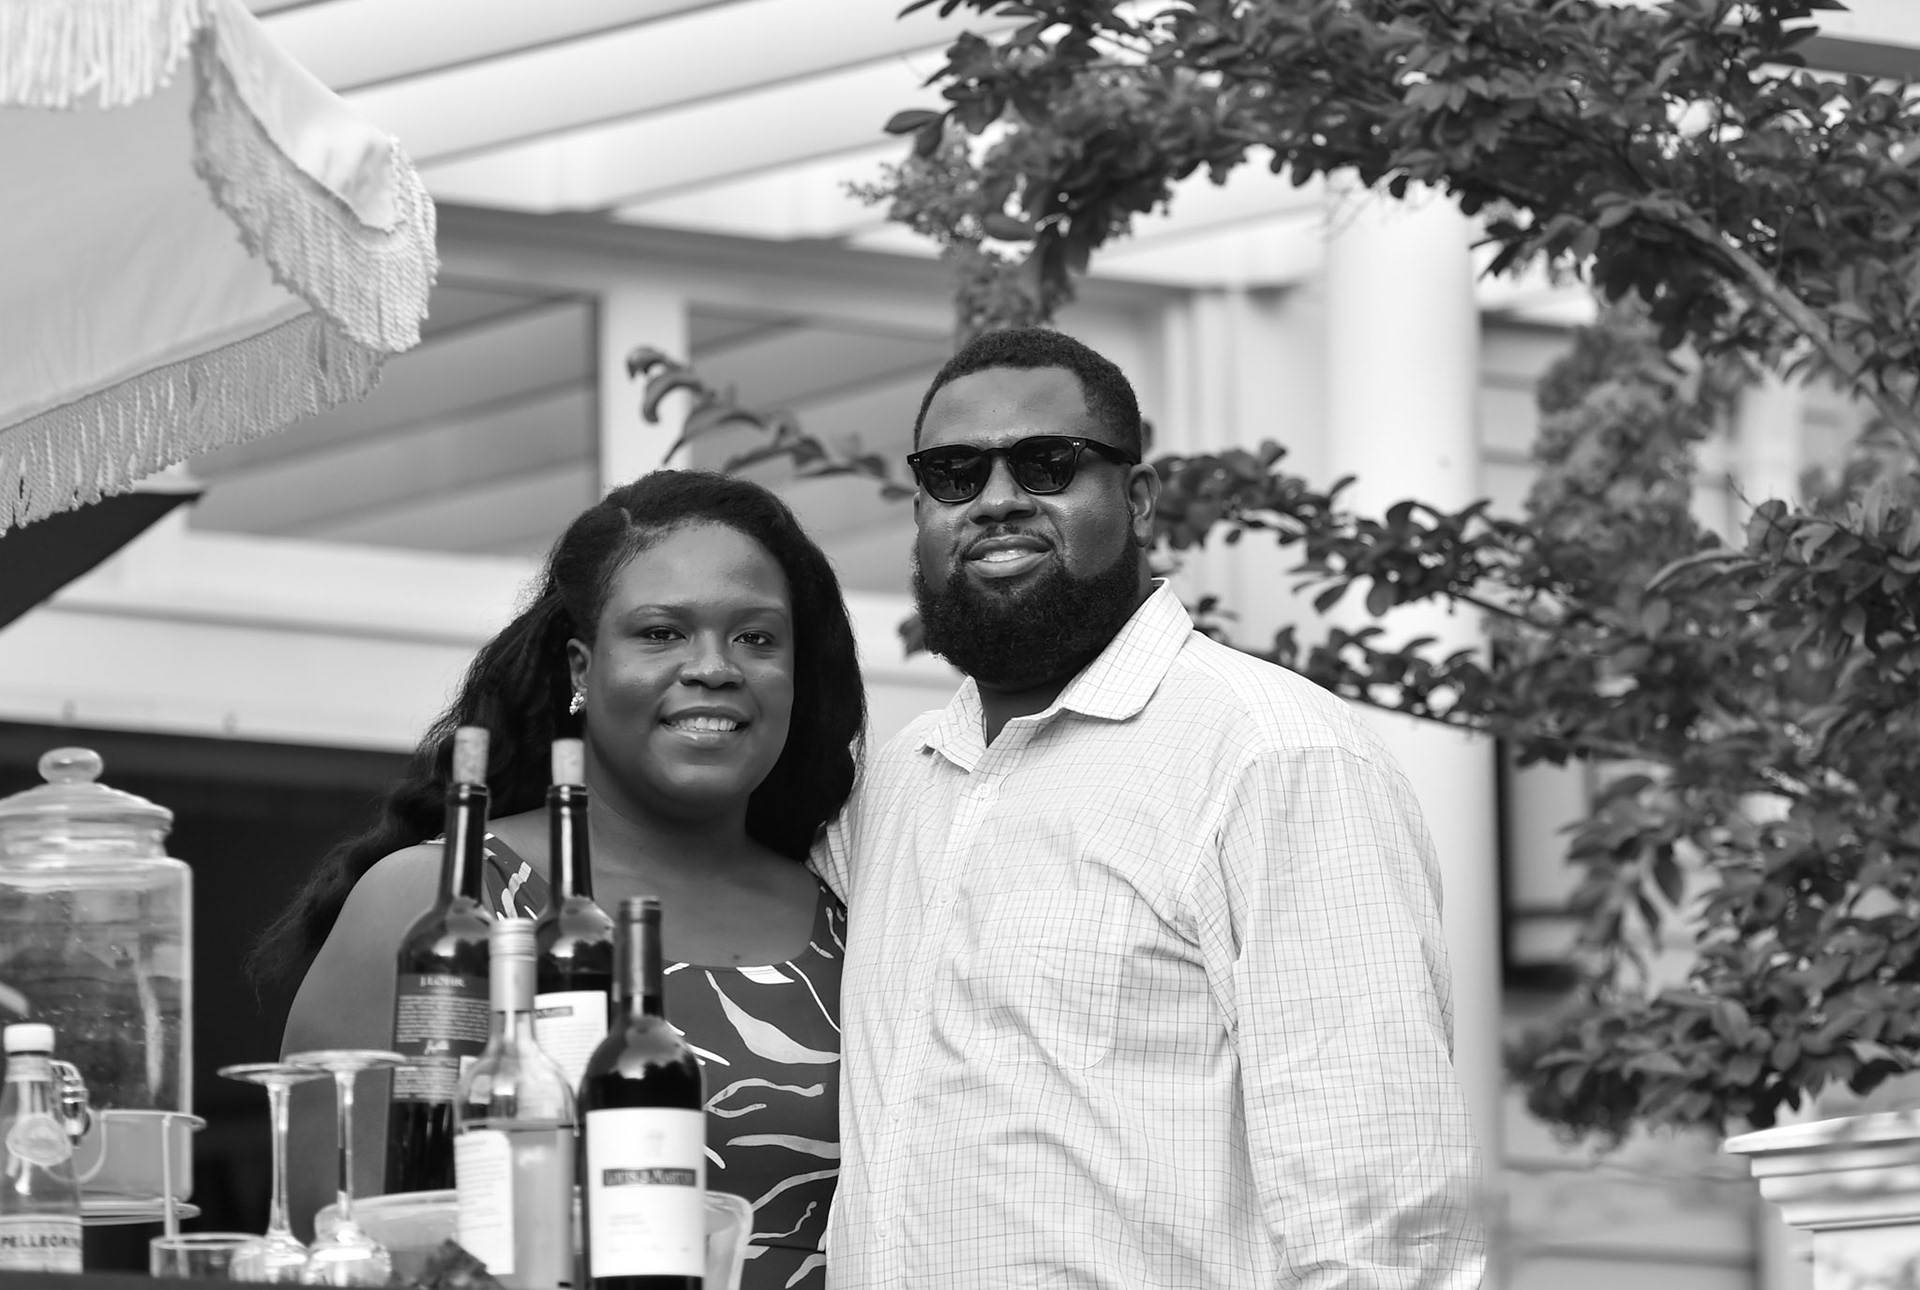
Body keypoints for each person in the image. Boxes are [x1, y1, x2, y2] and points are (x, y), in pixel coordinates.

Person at [812, 328, 1487, 1288]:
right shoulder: (894, 788)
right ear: (922, 510)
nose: (998, 499)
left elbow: (1382, 1230)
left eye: (1047, 465)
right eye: (955, 474)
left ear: (1136, 498)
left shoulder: (1272, 755)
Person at [256, 470, 864, 1290]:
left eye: (757, 638)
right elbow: (336, 1245)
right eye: (660, 633)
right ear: (582, 668)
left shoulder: (857, 924)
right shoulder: (438, 907)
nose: (714, 667)